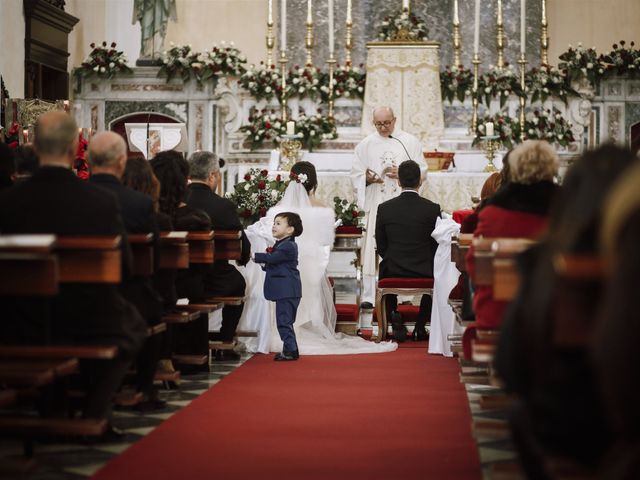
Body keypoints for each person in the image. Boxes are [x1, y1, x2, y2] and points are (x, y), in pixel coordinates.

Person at [493, 145, 636, 477]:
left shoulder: (548, 260)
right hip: (621, 434)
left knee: (519, 414)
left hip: (571, 434)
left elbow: (511, 366)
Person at [0, 111, 147, 424]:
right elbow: (123, 265)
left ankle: (48, 402)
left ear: (35, 148)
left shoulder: (7, 202)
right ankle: (94, 409)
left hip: (17, 318)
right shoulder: (100, 202)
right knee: (132, 323)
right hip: (86, 317)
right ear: (73, 149)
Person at [238, 161, 397, 355]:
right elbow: (327, 244)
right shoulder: (324, 211)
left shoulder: (276, 212)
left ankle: (282, 333)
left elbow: (267, 238)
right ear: (315, 184)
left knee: (283, 312)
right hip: (311, 275)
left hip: (280, 275)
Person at [88, 132, 165, 410]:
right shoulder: (138, 203)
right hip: (127, 292)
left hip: (67, 295)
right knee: (150, 311)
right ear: (121, 162)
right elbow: (153, 256)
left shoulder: (78, 196)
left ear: (87, 159)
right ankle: (144, 388)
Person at [463, 140, 559, 359]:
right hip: (555, 316)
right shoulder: (568, 207)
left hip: (502, 314)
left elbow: (475, 265)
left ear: (514, 168)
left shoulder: (494, 211)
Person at [351, 106, 427, 308]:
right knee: (374, 246)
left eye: (386, 123)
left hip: (404, 205)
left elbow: (423, 170)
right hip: (377, 202)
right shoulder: (365, 145)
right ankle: (369, 294)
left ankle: (405, 294)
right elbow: (355, 174)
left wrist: (403, 174)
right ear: (373, 122)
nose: (383, 127)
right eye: (378, 124)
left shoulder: (408, 141)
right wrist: (366, 179)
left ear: (395, 120)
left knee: (402, 244)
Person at [185, 151, 249, 359]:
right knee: (238, 282)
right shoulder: (223, 206)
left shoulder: (175, 200)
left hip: (179, 279)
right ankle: (224, 341)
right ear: (212, 176)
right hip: (215, 279)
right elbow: (242, 248)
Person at [375, 160, 441, 341]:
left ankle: (395, 315)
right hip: (424, 269)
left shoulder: (385, 208)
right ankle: (420, 326)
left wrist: (394, 258)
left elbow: (381, 244)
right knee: (437, 274)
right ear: (420, 181)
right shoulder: (432, 209)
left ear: (398, 181)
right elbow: (437, 244)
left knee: (385, 267)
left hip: (393, 268)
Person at [254, 212, 303, 362]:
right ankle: (290, 348)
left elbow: (273, 258)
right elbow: (275, 264)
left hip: (287, 290)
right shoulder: (282, 244)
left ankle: (291, 350)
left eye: (278, 223)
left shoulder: (288, 246)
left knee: (284, 321)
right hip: (286, 290)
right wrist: (265, 264)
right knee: (284, 320)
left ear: (290, 230)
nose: (274, 226)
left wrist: (254, 256)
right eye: (274, 223)